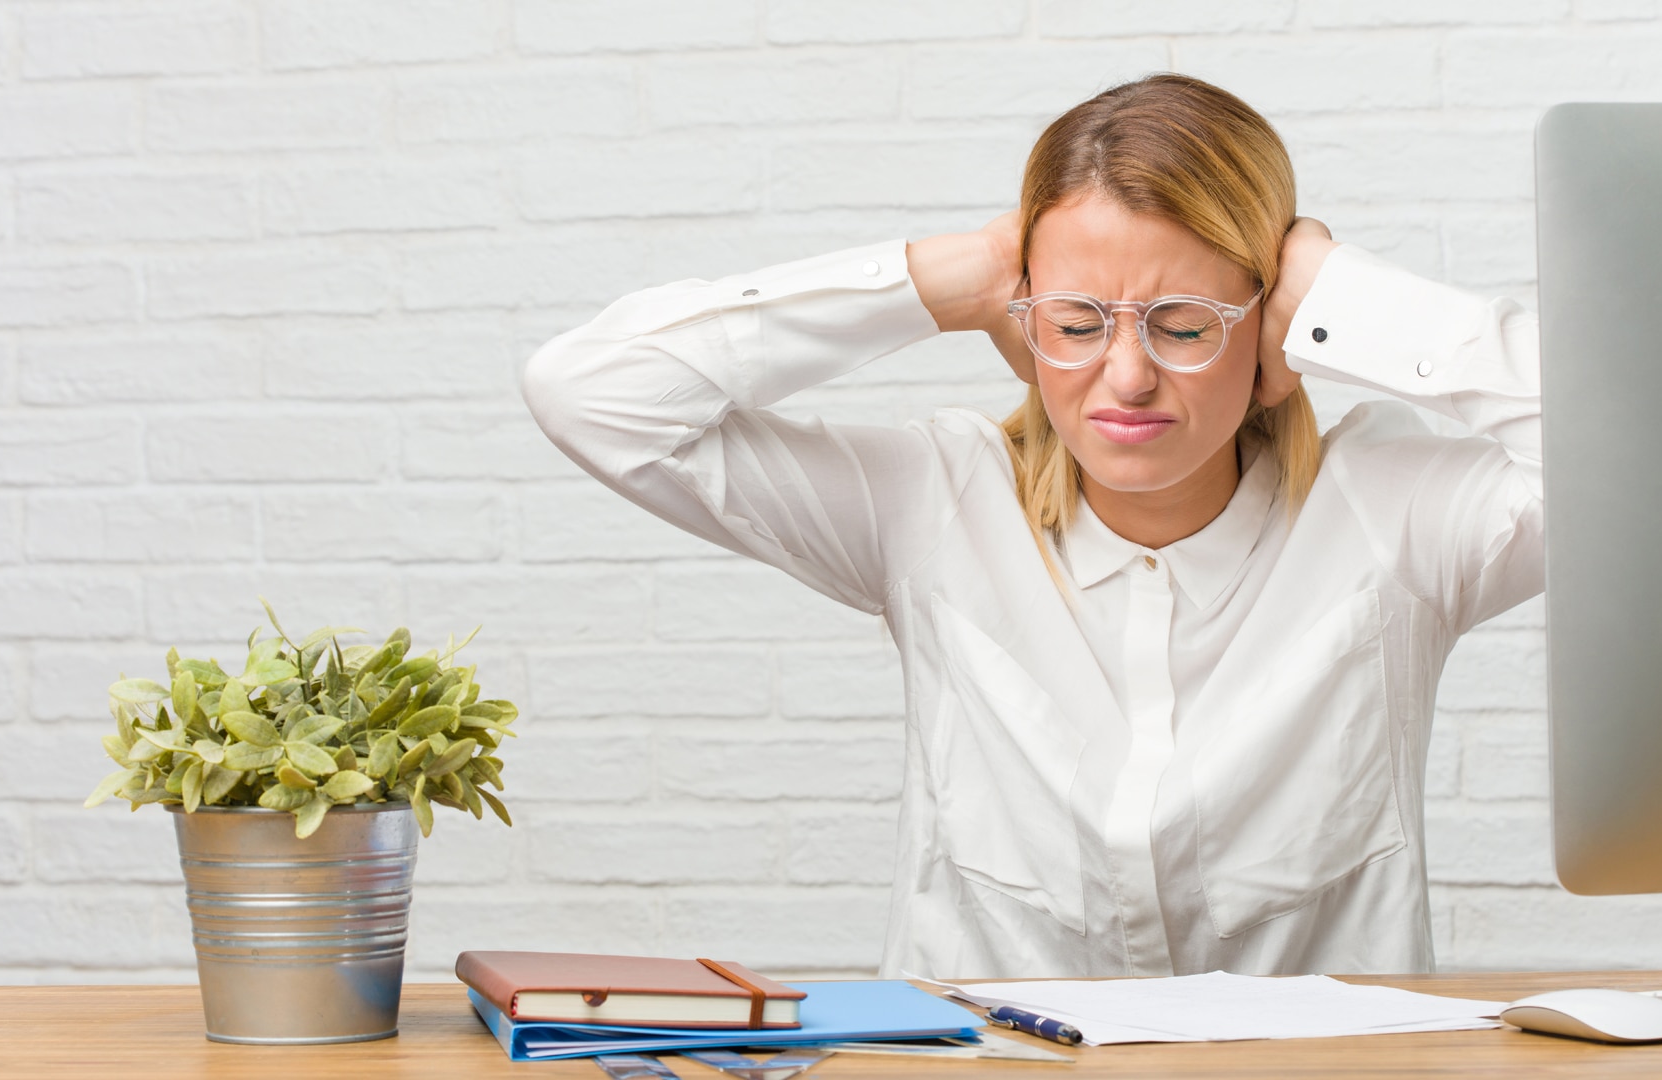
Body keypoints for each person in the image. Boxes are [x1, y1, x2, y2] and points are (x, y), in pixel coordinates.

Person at [522, 74, 1541, 979]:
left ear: (1268, 320)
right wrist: (948, 276)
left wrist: (1339, 294)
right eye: (1076, 323)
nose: (1128, 376)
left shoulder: (1394, 516)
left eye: (1185, 324)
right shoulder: (931, 499)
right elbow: (591, 394)